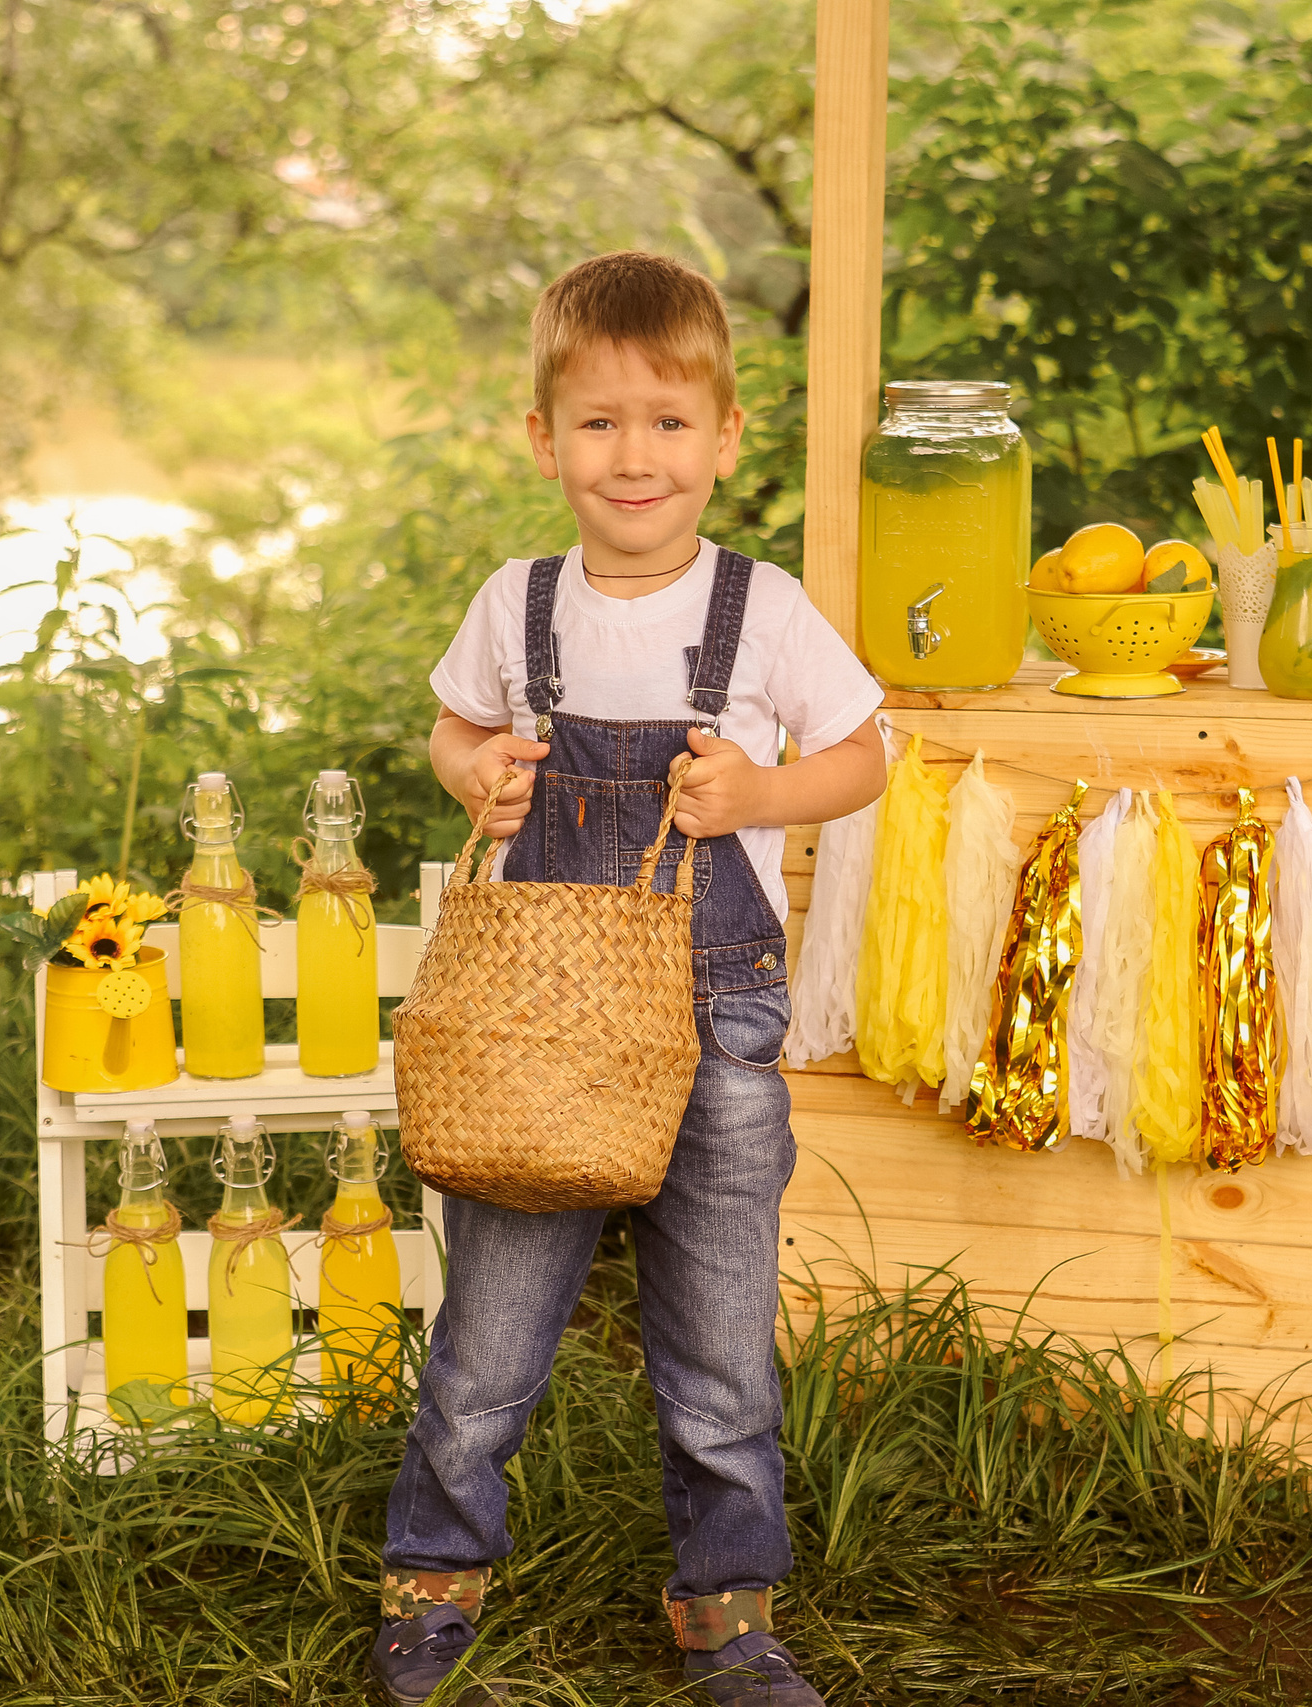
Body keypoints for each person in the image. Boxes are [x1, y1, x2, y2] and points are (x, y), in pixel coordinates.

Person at [373, 250, 887, 1707]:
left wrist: (761, 798)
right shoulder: (517, 603)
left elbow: (865, 755)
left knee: (720, 1351)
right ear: (544, 442)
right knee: (488, 1339)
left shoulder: (763, 607)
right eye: (598, 424)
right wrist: (482, 775)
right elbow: (453, 730)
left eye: (669, 423)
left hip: (716, 1028)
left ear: (728, 438)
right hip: (533, 1033)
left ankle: (727, 1610)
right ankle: (433, 1579)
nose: (634, 456)